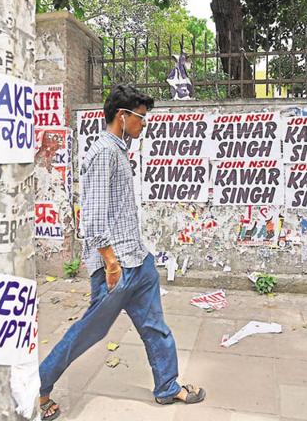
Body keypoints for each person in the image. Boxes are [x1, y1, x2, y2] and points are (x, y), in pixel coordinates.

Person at [38, 85, 206, 420]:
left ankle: (167, 387)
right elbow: (95, 214)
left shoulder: (117, 150)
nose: (144, 124)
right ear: (122, 116)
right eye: (141, 118)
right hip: (117, 266)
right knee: (89, 331)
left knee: (155, 325)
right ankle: (39, 386)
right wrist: (110, 263)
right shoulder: (104, 153)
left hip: (137, 261)